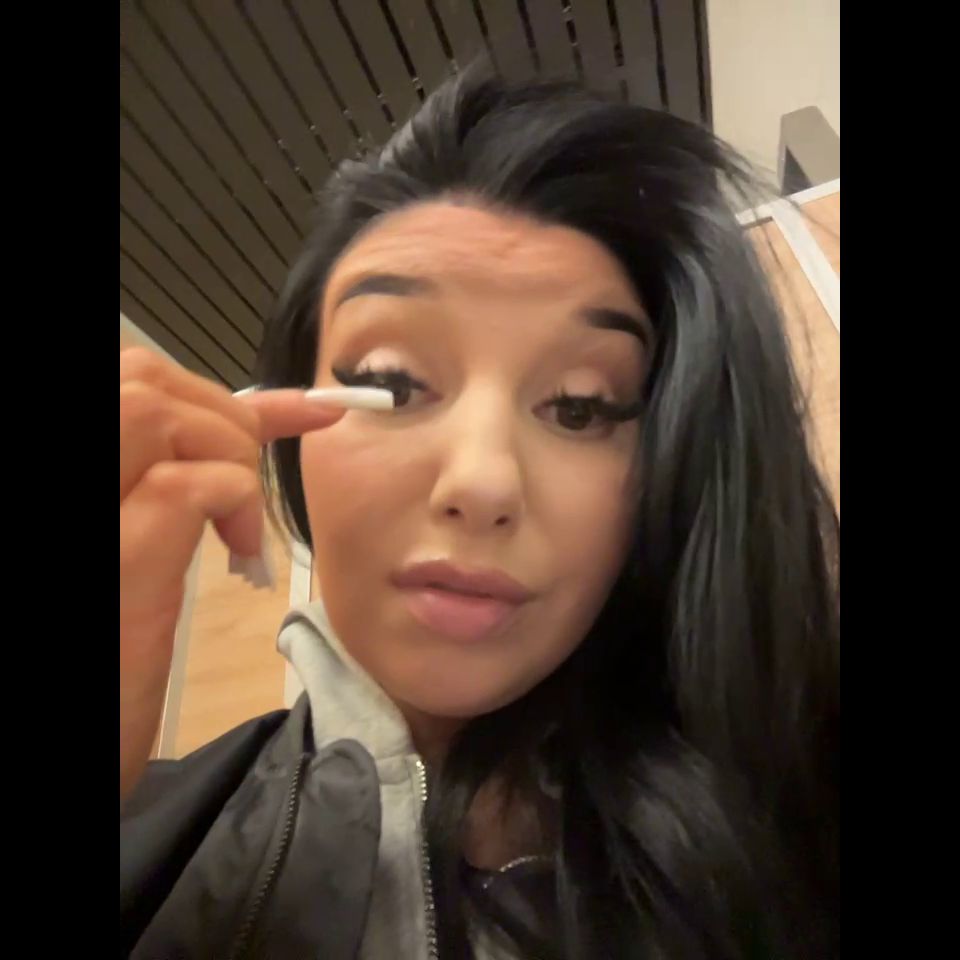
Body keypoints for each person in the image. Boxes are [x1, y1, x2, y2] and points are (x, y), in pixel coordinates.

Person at [120, 67, 839, 960]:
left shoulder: (799, 810)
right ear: (294, 436)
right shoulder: (152, 851)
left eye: (579, 406)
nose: (484, 481)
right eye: (390, 383)